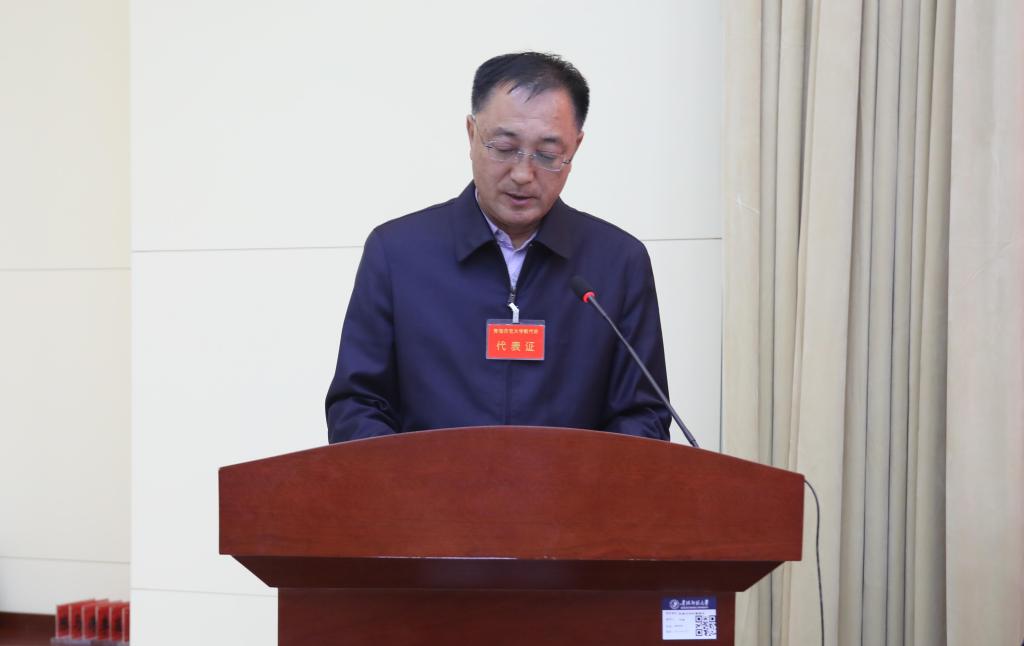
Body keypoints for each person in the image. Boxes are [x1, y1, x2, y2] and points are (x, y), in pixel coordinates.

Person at [325, 52, 671, 443]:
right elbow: (357, 405)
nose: (523, 174)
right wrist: (415, 480)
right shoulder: (397, 254)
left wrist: (581, 479)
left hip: (575, 485)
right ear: (471, 134)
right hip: (426, 484)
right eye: (504, 148)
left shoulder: (618, 263)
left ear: (575, 148)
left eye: (547, 154)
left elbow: (642, 415)